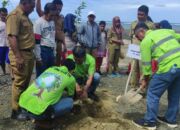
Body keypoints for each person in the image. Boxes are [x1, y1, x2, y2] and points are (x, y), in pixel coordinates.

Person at [132, 22, 180, 130]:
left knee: (153, 93)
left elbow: (146, 65)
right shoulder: (165, 31)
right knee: (175, 94)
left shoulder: (146, 41)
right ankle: (171, 119)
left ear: (142, 31)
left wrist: (145, 80)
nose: (137, 38)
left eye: (137, 35)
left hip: (168, 68)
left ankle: (150, 122)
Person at [19, 59, 76, 129]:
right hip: (38, 113)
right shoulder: (71, 78)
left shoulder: (50, 69)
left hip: (22, 104)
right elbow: (71, 95)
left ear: (61, 65)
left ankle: (31, 117)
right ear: (71, 71)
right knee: (69, 102)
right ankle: (43, 122)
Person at [6, 0, 35, 120]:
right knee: (19, 82)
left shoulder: (26, 17)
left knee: (25, 82)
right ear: (25, 3)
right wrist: (18, 57)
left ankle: (22, 106)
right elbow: (12, 37)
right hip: (20, 54)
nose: (33, 9)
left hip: (28, 53)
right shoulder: (14, 15)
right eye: (32, 6)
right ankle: (15, 111)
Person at [130, 5, 155, 88]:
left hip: (145, 51)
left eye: (141, 14)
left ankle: (143, 88)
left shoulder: (151, 25)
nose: (139, 16)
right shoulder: (133, 23)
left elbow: (153, 39)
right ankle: (133, 86)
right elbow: (131, 37)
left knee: (143, 69)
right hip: (134, 49)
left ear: (146, 15)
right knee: (134, 69)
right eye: (138, 14)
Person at [36, 0, 66, 66]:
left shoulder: (62, 18)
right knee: (45, 65)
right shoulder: (49, 16)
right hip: (47, 44)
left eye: (60, 10)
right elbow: (38, 10)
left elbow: (62, 32)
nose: (58, 11)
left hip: (58, 44)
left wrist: (65, 45)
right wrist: (38, 1)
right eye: (57, 9)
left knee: (57, 63)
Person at [34, 3, 56, 77]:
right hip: (42, 51)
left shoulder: (52, 22)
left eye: (54, 15)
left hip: (51, 50)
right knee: (41, 75)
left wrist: (54, 52)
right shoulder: (39, 22)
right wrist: (38, 57)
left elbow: (53, 37)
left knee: (50, 74)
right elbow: (36, 41)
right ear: (45, 12)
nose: (52, 17)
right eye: (51, 15)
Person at [0, 8, 9, 75]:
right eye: (2, 14)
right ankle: (4, 71)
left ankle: (12, 74)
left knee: (10, 60)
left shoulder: (10, 22)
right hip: (1, 45)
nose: (4, 16)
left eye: (5, 14)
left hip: (9, 45)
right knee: (1, 61)